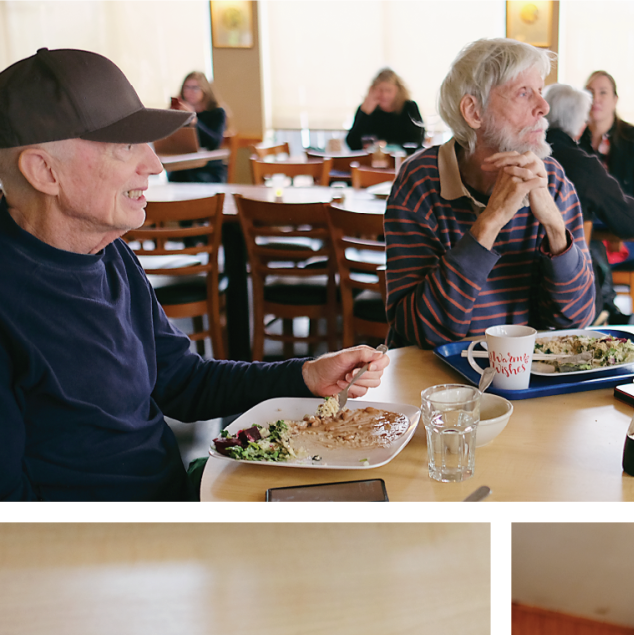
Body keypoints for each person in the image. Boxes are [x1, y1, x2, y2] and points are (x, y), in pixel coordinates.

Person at [0, 48, 389, 501]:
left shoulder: (109, 255)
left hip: (179, 496)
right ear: (44, 171)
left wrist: (305, 375)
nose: (154, 164)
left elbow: (185, 382)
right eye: (126, 147)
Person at [382, 38, 595, 348]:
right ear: (474, 111)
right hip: (434, 383)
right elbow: (422, 331)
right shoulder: (421, 180)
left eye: (540, 90)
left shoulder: (553, 180)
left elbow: (576, 318)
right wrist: (491, 221)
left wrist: (554, 226)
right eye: (524, 93)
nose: (544, 106)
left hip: (524, 377)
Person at [543, 83, 634, 325]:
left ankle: (606, 308)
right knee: (591, 246)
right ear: (580, 125)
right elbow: (632, 220)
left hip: (515, 274)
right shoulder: (581, 164)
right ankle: (604, 310)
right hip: (566, 281)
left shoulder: (523, 153)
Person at [580, 71, 634, 203]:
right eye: (589, 92)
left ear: (615, 100)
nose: (595, 98)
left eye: (603, 92)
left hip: (623, 219)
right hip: (581, 220)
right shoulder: (572, 138)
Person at [167, 71, 227, 183]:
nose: (190, 92)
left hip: (207, 168)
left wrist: (194, 121)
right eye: (187, 88)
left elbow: (214, 143)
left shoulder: (217, 113)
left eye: (195, 88)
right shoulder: (179, 112)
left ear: (204, 90)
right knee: (175, 178)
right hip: (182, 166)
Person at [345, 68, 424, 151]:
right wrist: (364, 114)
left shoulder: (409, 107)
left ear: (397, 90)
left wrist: (386, 145)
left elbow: (417, 141)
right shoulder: (366, 109)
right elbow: (352, 143)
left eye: (389, 91)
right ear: (373, 89)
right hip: (371, 161)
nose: (384, 95)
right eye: (380, 90)